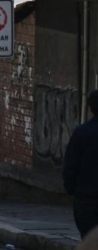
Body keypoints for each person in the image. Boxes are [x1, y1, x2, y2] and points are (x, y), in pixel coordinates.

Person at [63, 90, 98, 239]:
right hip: (86, 197)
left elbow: (71, 164)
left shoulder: (82, 133)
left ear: (90, 108)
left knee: (89, 239)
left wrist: (72, 189)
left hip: (86, 200)